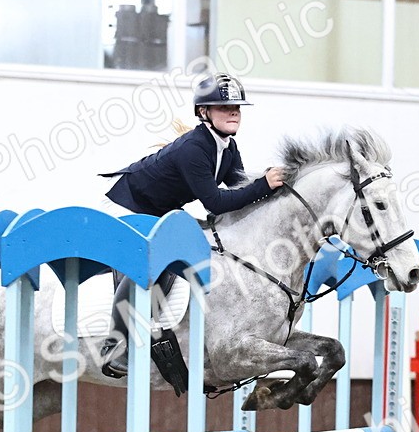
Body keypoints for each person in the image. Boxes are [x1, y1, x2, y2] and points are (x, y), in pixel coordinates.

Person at [98, 73, 285, 378]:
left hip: (161, 210)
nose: (234, 112)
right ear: (203, 112)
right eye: (225, 107)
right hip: (126, 205)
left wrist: (270, 186)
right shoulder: (194, 149)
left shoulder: (228, 148)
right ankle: (116, 345)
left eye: (237, 107)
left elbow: (240, 189)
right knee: (156, 260)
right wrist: (263, 184)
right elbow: (216, 203)